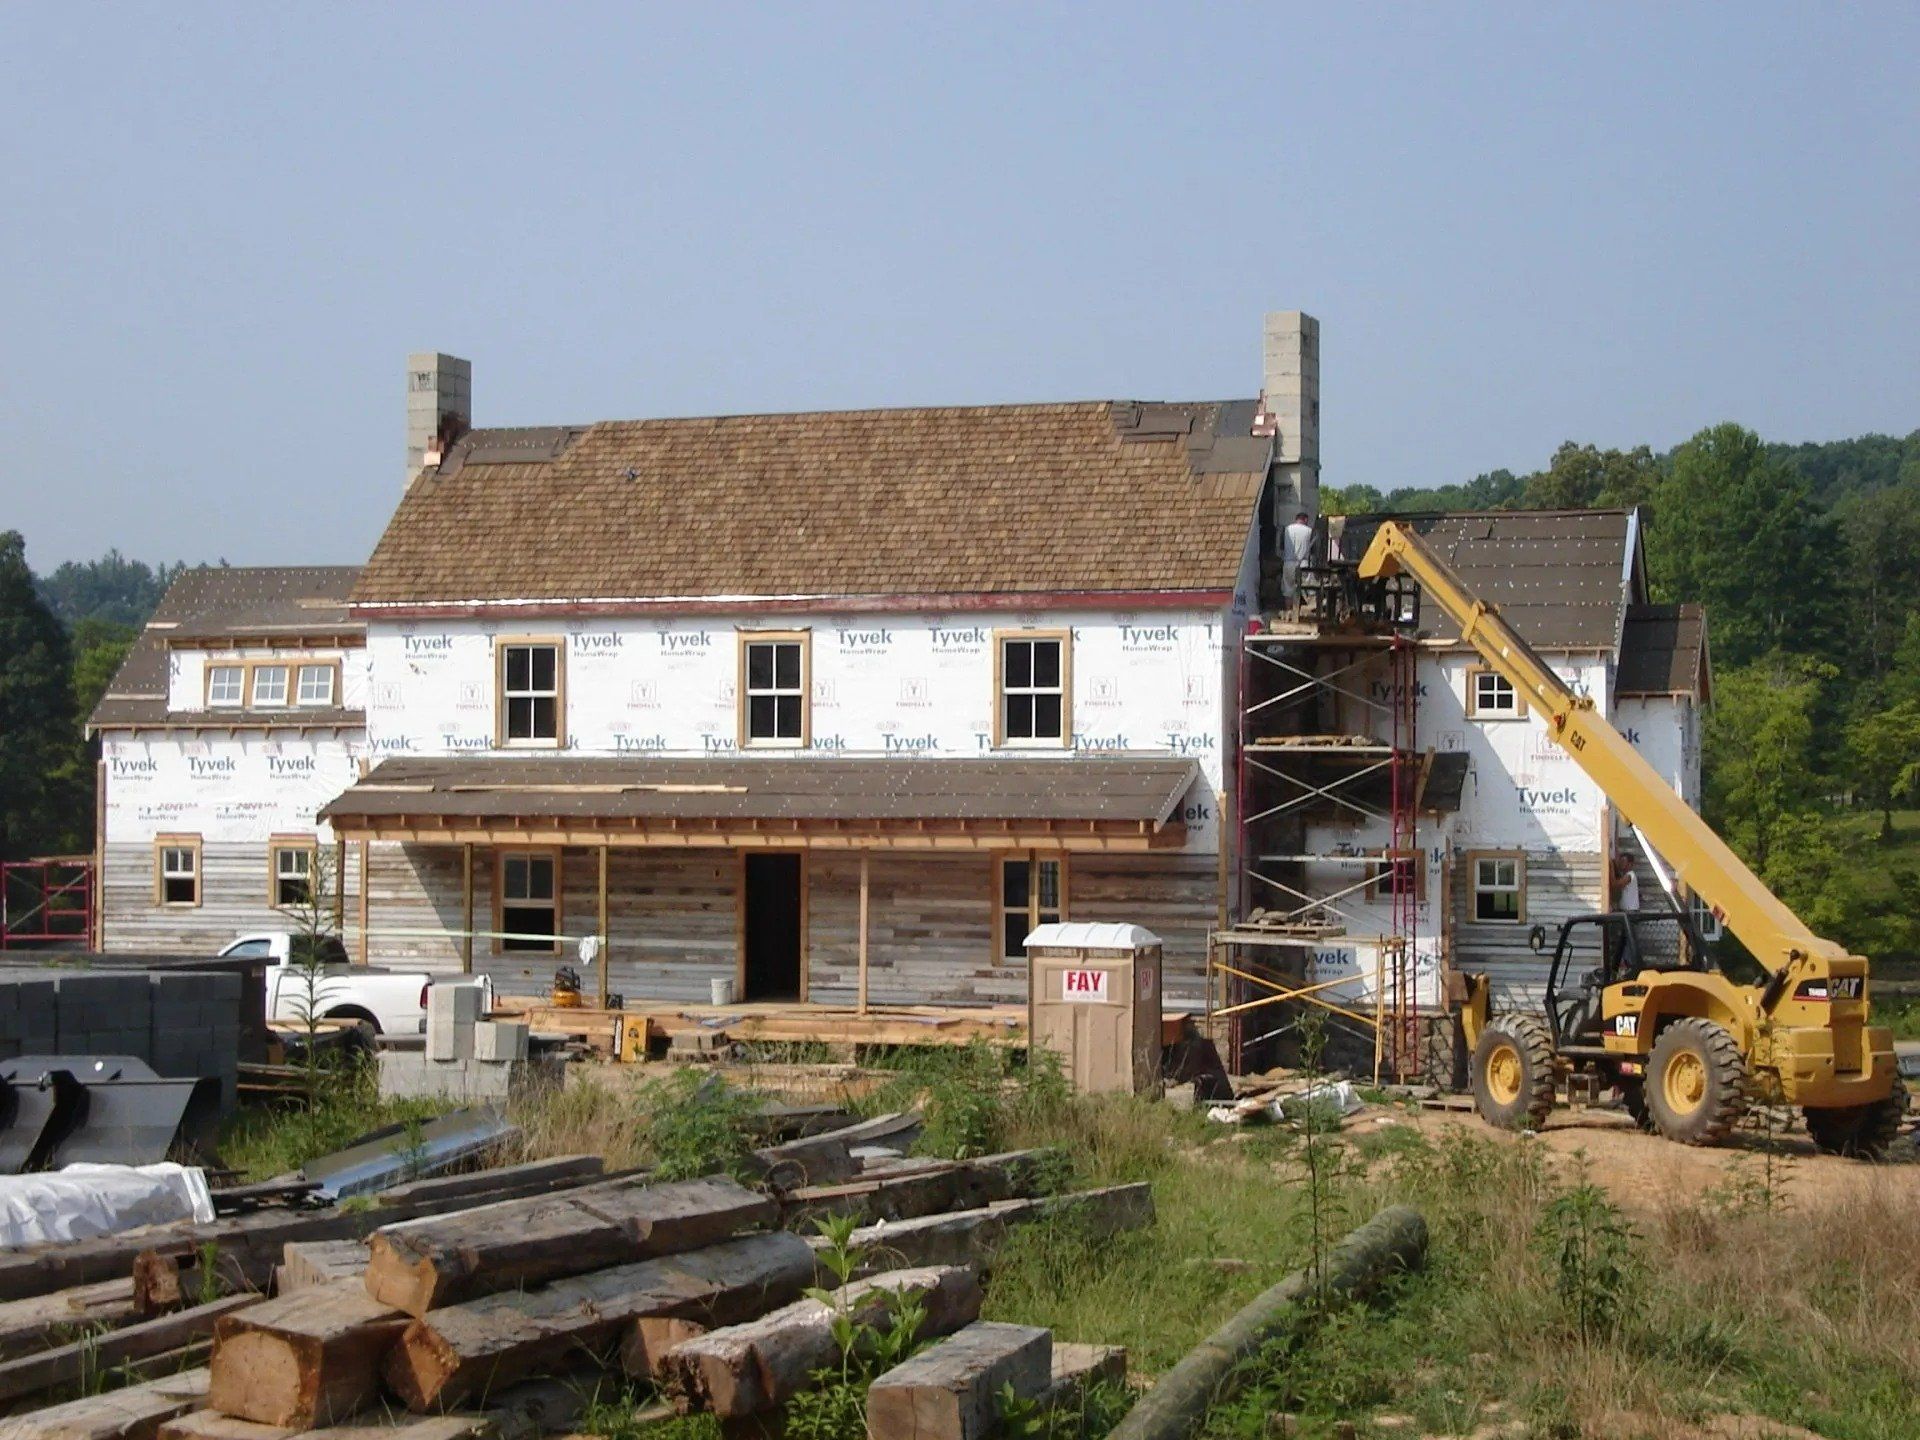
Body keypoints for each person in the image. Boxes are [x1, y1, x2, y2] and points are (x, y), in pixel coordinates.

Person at [1281, 510, 1314, 608]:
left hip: (1288, 563)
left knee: (1288, 590)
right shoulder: (1309, 530)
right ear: (1305, 519)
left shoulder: (1287, 529)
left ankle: (1288, 612)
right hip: (1303, 563)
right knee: (1308, 589)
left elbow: (1282, 546)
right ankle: (1309, 611)